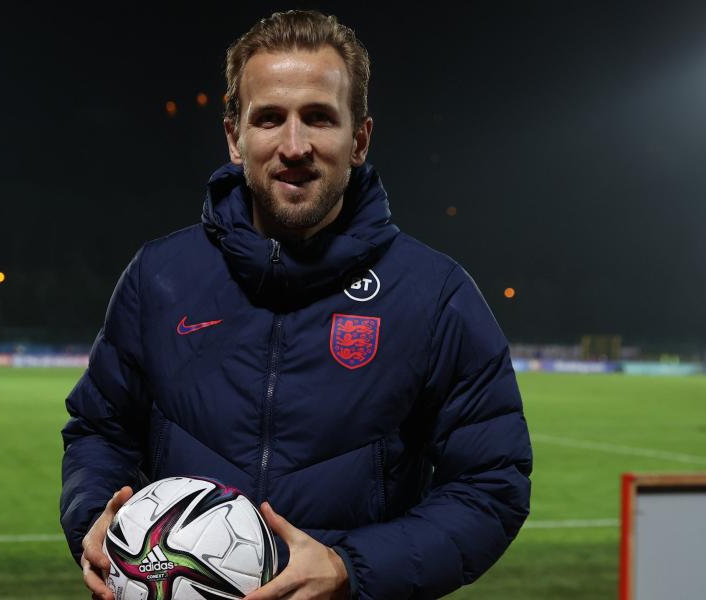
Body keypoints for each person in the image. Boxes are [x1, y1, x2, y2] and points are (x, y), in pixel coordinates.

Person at [60, 9, 532, 600]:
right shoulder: (160, 277)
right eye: (269, 119)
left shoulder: (435, 295)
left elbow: (492, 485)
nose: (294, 145)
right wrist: (93, 520)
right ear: (235, 137)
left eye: (318, 118)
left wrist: (350, 569)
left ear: (358, 139)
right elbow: (100, 432)